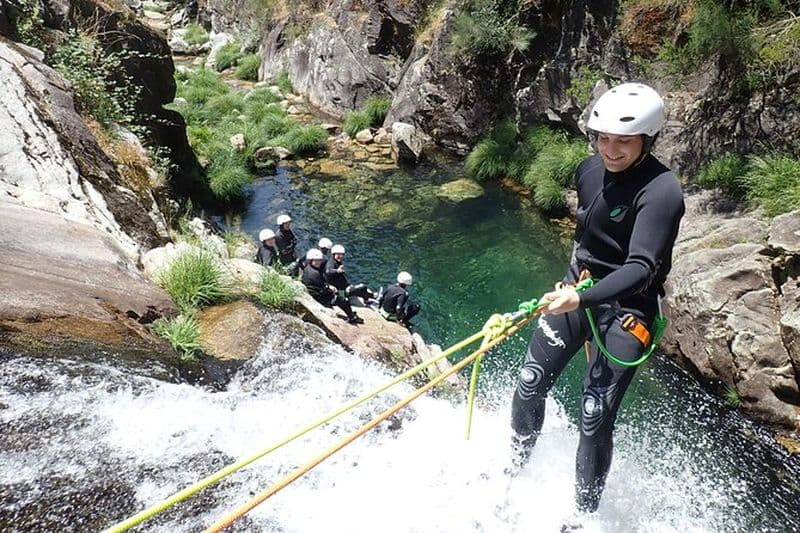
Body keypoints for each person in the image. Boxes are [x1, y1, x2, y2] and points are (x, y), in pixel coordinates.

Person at [509, 83, 685, 516]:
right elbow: (586, 235)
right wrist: (572, 280)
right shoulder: (588, 170)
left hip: (628, 309)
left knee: (593, 414)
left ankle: (583, 518)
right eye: (602, 138)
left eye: (623, 140)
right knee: (529, 384)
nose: (610, 149)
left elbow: (641, 267)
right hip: (580, 288)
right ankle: (513, 471)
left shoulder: (662, 192)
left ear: (648, 139)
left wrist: (580, 300)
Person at [301, 249, 363, 324]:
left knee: (341, 295)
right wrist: (330, 289)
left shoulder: (309, 269)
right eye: (316, 260)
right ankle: (352, 317)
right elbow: (323, 287)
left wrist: (329, 286)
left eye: (319, 260)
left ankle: (350, 313)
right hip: (320, 297)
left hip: (318, 292)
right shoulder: (315, 273)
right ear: (310, 260)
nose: (318, 262)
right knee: (343, 299)